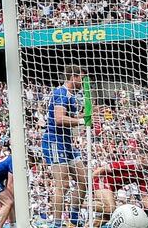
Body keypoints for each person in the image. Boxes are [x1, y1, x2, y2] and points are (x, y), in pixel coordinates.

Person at [42, 65, 88, 228]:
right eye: (82, 78)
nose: (83, 82)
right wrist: (83, 121)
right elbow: (60, 119)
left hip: (67, 143)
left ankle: (73, 220)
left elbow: (73, 118)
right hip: (55, 141)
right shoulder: (60, 93)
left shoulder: (71, 97)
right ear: (74, 77)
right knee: (63, 185)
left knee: (84, 181)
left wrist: (90, 114)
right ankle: (56, 224)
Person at [91, 154, 148, 227]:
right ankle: (81, 204)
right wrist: (87, 181)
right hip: (102, 181)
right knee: (112, 209)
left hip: (109, 188)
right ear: (142, 158)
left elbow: (144, 195)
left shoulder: (140, 175)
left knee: (109, 216)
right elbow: (103, 169)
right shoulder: (129, 164)